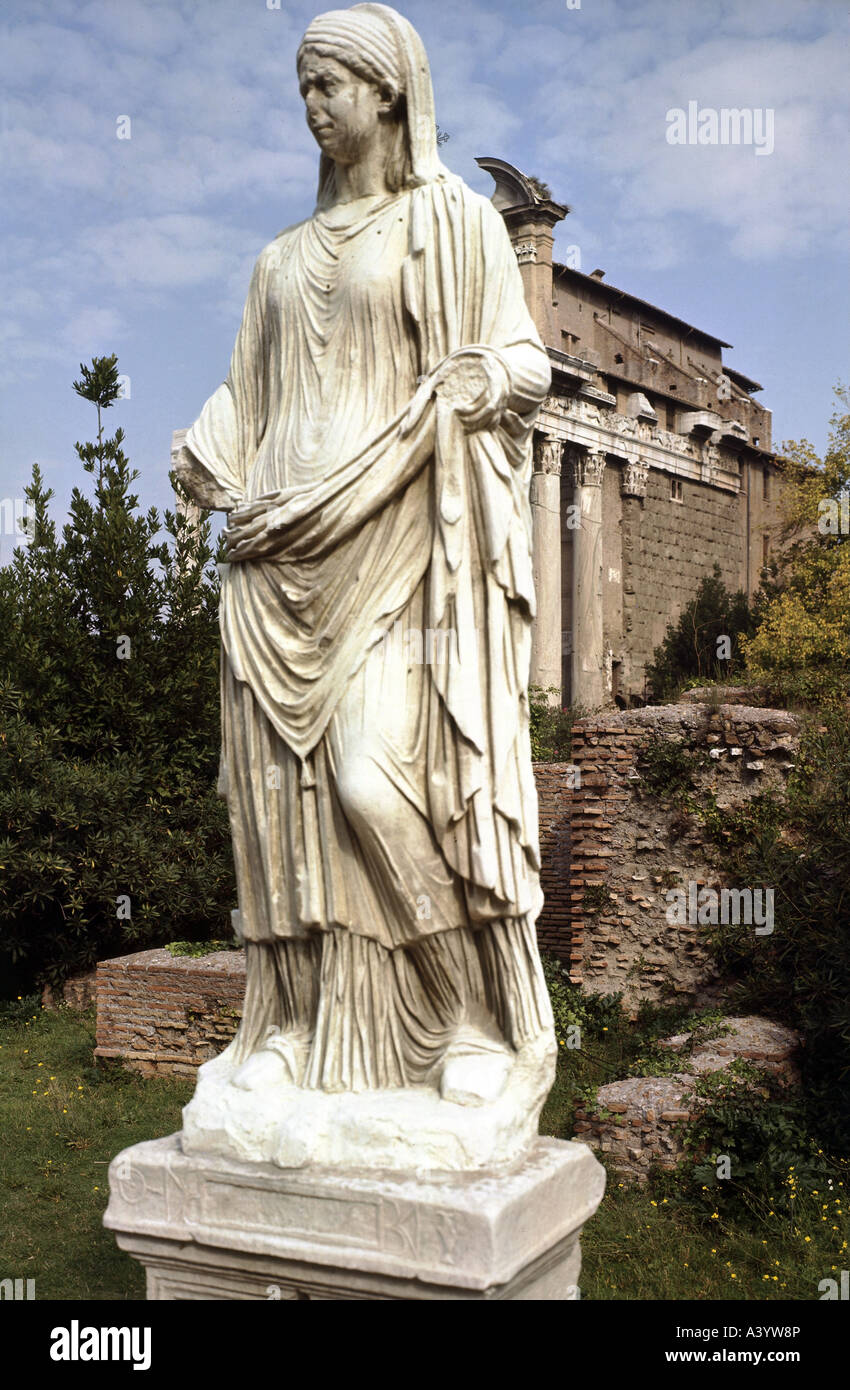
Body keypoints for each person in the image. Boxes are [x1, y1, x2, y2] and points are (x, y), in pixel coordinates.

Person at [176, 3, 555, 1108]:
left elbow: (521, 360)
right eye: (301, 90)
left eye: (328, 86)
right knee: (280, 805)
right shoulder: (276, 259)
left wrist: (478, 383)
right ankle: (290, 1026)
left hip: (396, 545)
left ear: (388, 92)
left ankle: (468, 1016)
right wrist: (205, 449)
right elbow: (245, 395)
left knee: (371, 779)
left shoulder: (452, 224)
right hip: (273, 558)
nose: (311, 109)